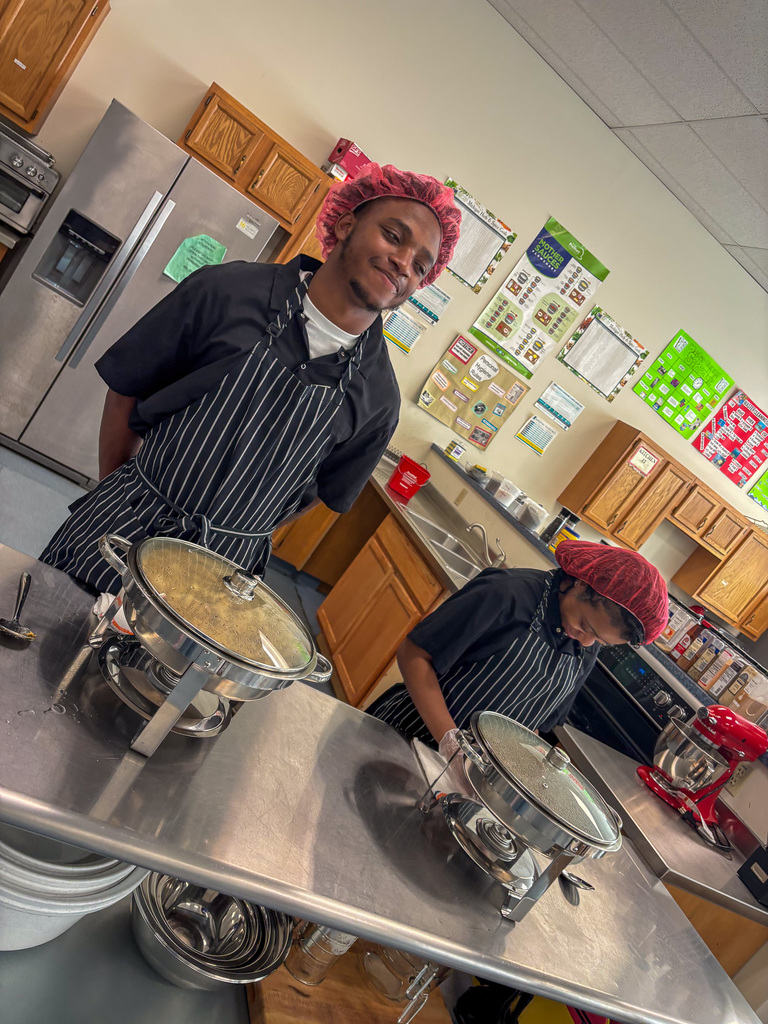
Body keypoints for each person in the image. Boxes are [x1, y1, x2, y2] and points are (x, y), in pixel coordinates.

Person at [40, 164, 462, 593]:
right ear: (346, 222)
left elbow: (318, 493)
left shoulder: (379, 398)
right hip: (122, 526)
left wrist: (237, 533)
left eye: (421, 265)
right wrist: (125, 495)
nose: (403, 263)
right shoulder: (225, 291)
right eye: (393, 236)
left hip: (217, 579)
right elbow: (127, 386)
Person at [367, 539, 668, 756]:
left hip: (468, 775)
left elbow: (534, 725)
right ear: (581, 585)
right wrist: (450, 743)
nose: (587, 641)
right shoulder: (506, 594)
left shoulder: (585, 649)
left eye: (599, 640)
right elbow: (414, 654)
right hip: (405, 737)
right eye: (586, 626)